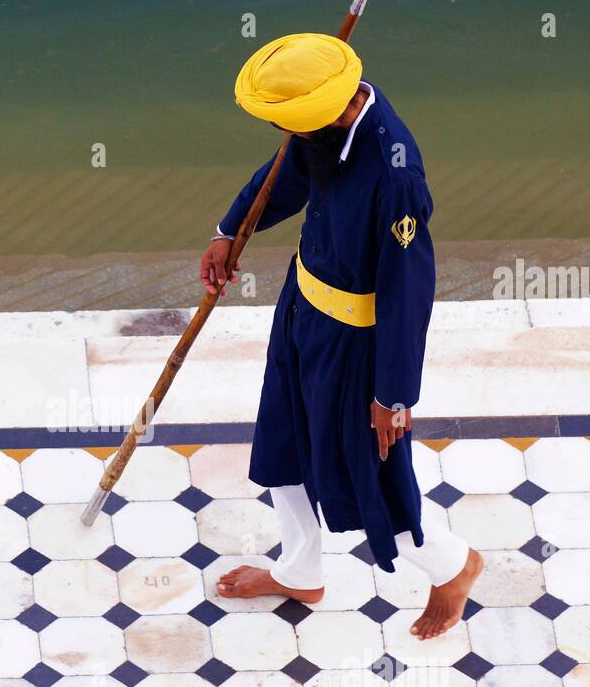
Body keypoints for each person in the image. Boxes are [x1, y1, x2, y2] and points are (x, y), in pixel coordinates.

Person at [204, 33, 483, 640]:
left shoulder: (396, 176)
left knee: (369, 474)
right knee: (284, 442)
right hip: (302, 307)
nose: (286, 133)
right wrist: (231, 228)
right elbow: (286, 175)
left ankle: (453, 565)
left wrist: (394, 397)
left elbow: (410, 293)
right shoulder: (323, 125)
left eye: (288, 122)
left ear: (322, 110)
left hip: (356, 346)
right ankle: (300, 571)